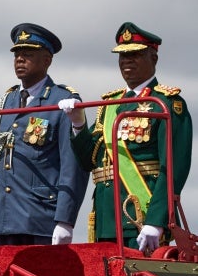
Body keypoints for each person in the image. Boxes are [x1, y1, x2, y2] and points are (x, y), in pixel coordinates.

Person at [59, 22, 192, 252]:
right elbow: (88, 161)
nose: (126, 61)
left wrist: (156, 220)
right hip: (105, 218)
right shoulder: (111, 104)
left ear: (154, 58)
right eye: (122, 56)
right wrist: (78, 123)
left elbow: (173, 168)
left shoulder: (168, 103)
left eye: (135, 55)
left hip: (141, 216)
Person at [0, 23, 89, 246]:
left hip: (41, 219)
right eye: (17, 55)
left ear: (47, 60)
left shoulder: (62, 102)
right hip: (4, 217)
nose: (20, 60)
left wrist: (66, 219)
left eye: (28, 54)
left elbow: (73, 167)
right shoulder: (8, 101)